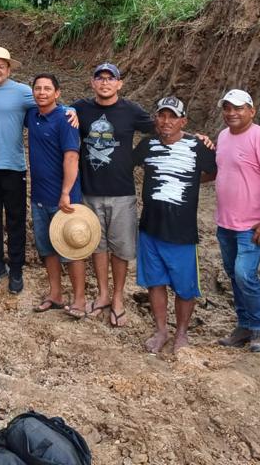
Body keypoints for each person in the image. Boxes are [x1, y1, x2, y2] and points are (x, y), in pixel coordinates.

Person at [0, 46, 76, 294]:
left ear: (8, 69)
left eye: (1, 66)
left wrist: (73, 111)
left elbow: (49, 101)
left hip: (14, 168)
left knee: (16, 221)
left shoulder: (22, 92)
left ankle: (16, 268)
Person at [71, 62, 154, 326]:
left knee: (121, 249)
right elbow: (53, 111)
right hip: (90, 192)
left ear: (120, 83)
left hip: (122, 193)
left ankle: (118, 297)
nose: (105, 82)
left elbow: (164, 128)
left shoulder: (131, 111)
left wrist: (195, 136)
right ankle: (103, 294)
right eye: (100, 78)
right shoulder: (80, 109)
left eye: (111, 78)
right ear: (92, 82)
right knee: (97, 245)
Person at [133, 96, 217, 353]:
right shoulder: (148, 145)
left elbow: (214, 171)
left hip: (181, 232)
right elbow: (126, 161)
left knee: (185, 286)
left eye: (172, 116)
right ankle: (161, 330)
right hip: (150, 227)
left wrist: (192, 181)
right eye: (162, 115)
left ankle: (182, 332)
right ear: (156, 118)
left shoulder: (197, 146)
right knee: (155, 282)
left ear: (183, 121)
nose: (166, 121)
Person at [214, 89, 260, 353]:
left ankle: (259, 329)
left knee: (245, 274)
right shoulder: (223, 136)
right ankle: (244, 325)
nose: (232, 113)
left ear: (251, 111)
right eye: (228, 108)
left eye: (239, 108)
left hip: (251, 225)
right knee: (234, 274)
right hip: (225, 222)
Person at [26, 73, 86, 316]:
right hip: (38, 196)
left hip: (64, 199)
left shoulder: (65, 119)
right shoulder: (32, 115)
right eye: (38, 88)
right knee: (47, 249)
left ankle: (80, 300)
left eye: (47, 88)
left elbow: (72, 156)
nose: (42, 92)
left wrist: (65, 192)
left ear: (57, 93)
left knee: (73, 249)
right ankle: (55, 294)